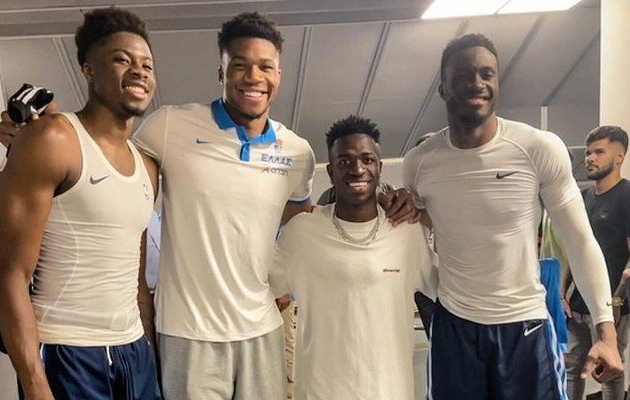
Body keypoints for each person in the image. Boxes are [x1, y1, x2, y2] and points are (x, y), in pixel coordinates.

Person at [131, 12, 418, 400]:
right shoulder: (168, 126)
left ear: (279, 76)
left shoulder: (297, 153)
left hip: (263, 328)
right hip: (189, 331)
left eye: (265, 66)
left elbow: (303, 222)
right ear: (221, 72)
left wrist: (381, 202)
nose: (254, 77)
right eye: (240, 65)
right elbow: (123, 190)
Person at [403, 33, 622, 400]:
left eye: (487, 74)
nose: (477, 83)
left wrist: (607, 331)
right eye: (463, 75)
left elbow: (581, 242)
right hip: (455, 328)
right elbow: (420, 226)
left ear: (498, 84)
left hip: (525, 327)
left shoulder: (538, 148)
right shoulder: (420, 163)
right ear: (442, 88)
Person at [0, 7, 161, 400]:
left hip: (134, 351)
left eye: (147, 64)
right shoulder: (53, 139)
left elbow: (137, 282)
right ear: (88, 70)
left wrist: (150, 356)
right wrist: (35, 385)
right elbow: (7, 275)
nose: (139, 71)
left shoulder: (148, 167)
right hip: (68, 351)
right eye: (122, 59)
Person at [271, 115, 436, 399]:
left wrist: (428, 213)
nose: (357, 169)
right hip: (321, 392)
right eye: (344, 161)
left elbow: (448, 287)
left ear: (379, 168)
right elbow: (261, 290)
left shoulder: (407, 232)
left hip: (390, 391)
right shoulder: (302, 233)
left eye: (367, 159)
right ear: (331, 171)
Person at [563, 125, 630, 400]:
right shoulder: (584, 197)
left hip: (611, 306)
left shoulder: (627, 196)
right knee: (572, 368)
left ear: (619, 156)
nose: (590, 158)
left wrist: (617, 300)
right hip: (577, 302)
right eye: (588, 152)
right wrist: (563, 293)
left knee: (608, 370)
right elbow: (576, 249)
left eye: (599, 152)